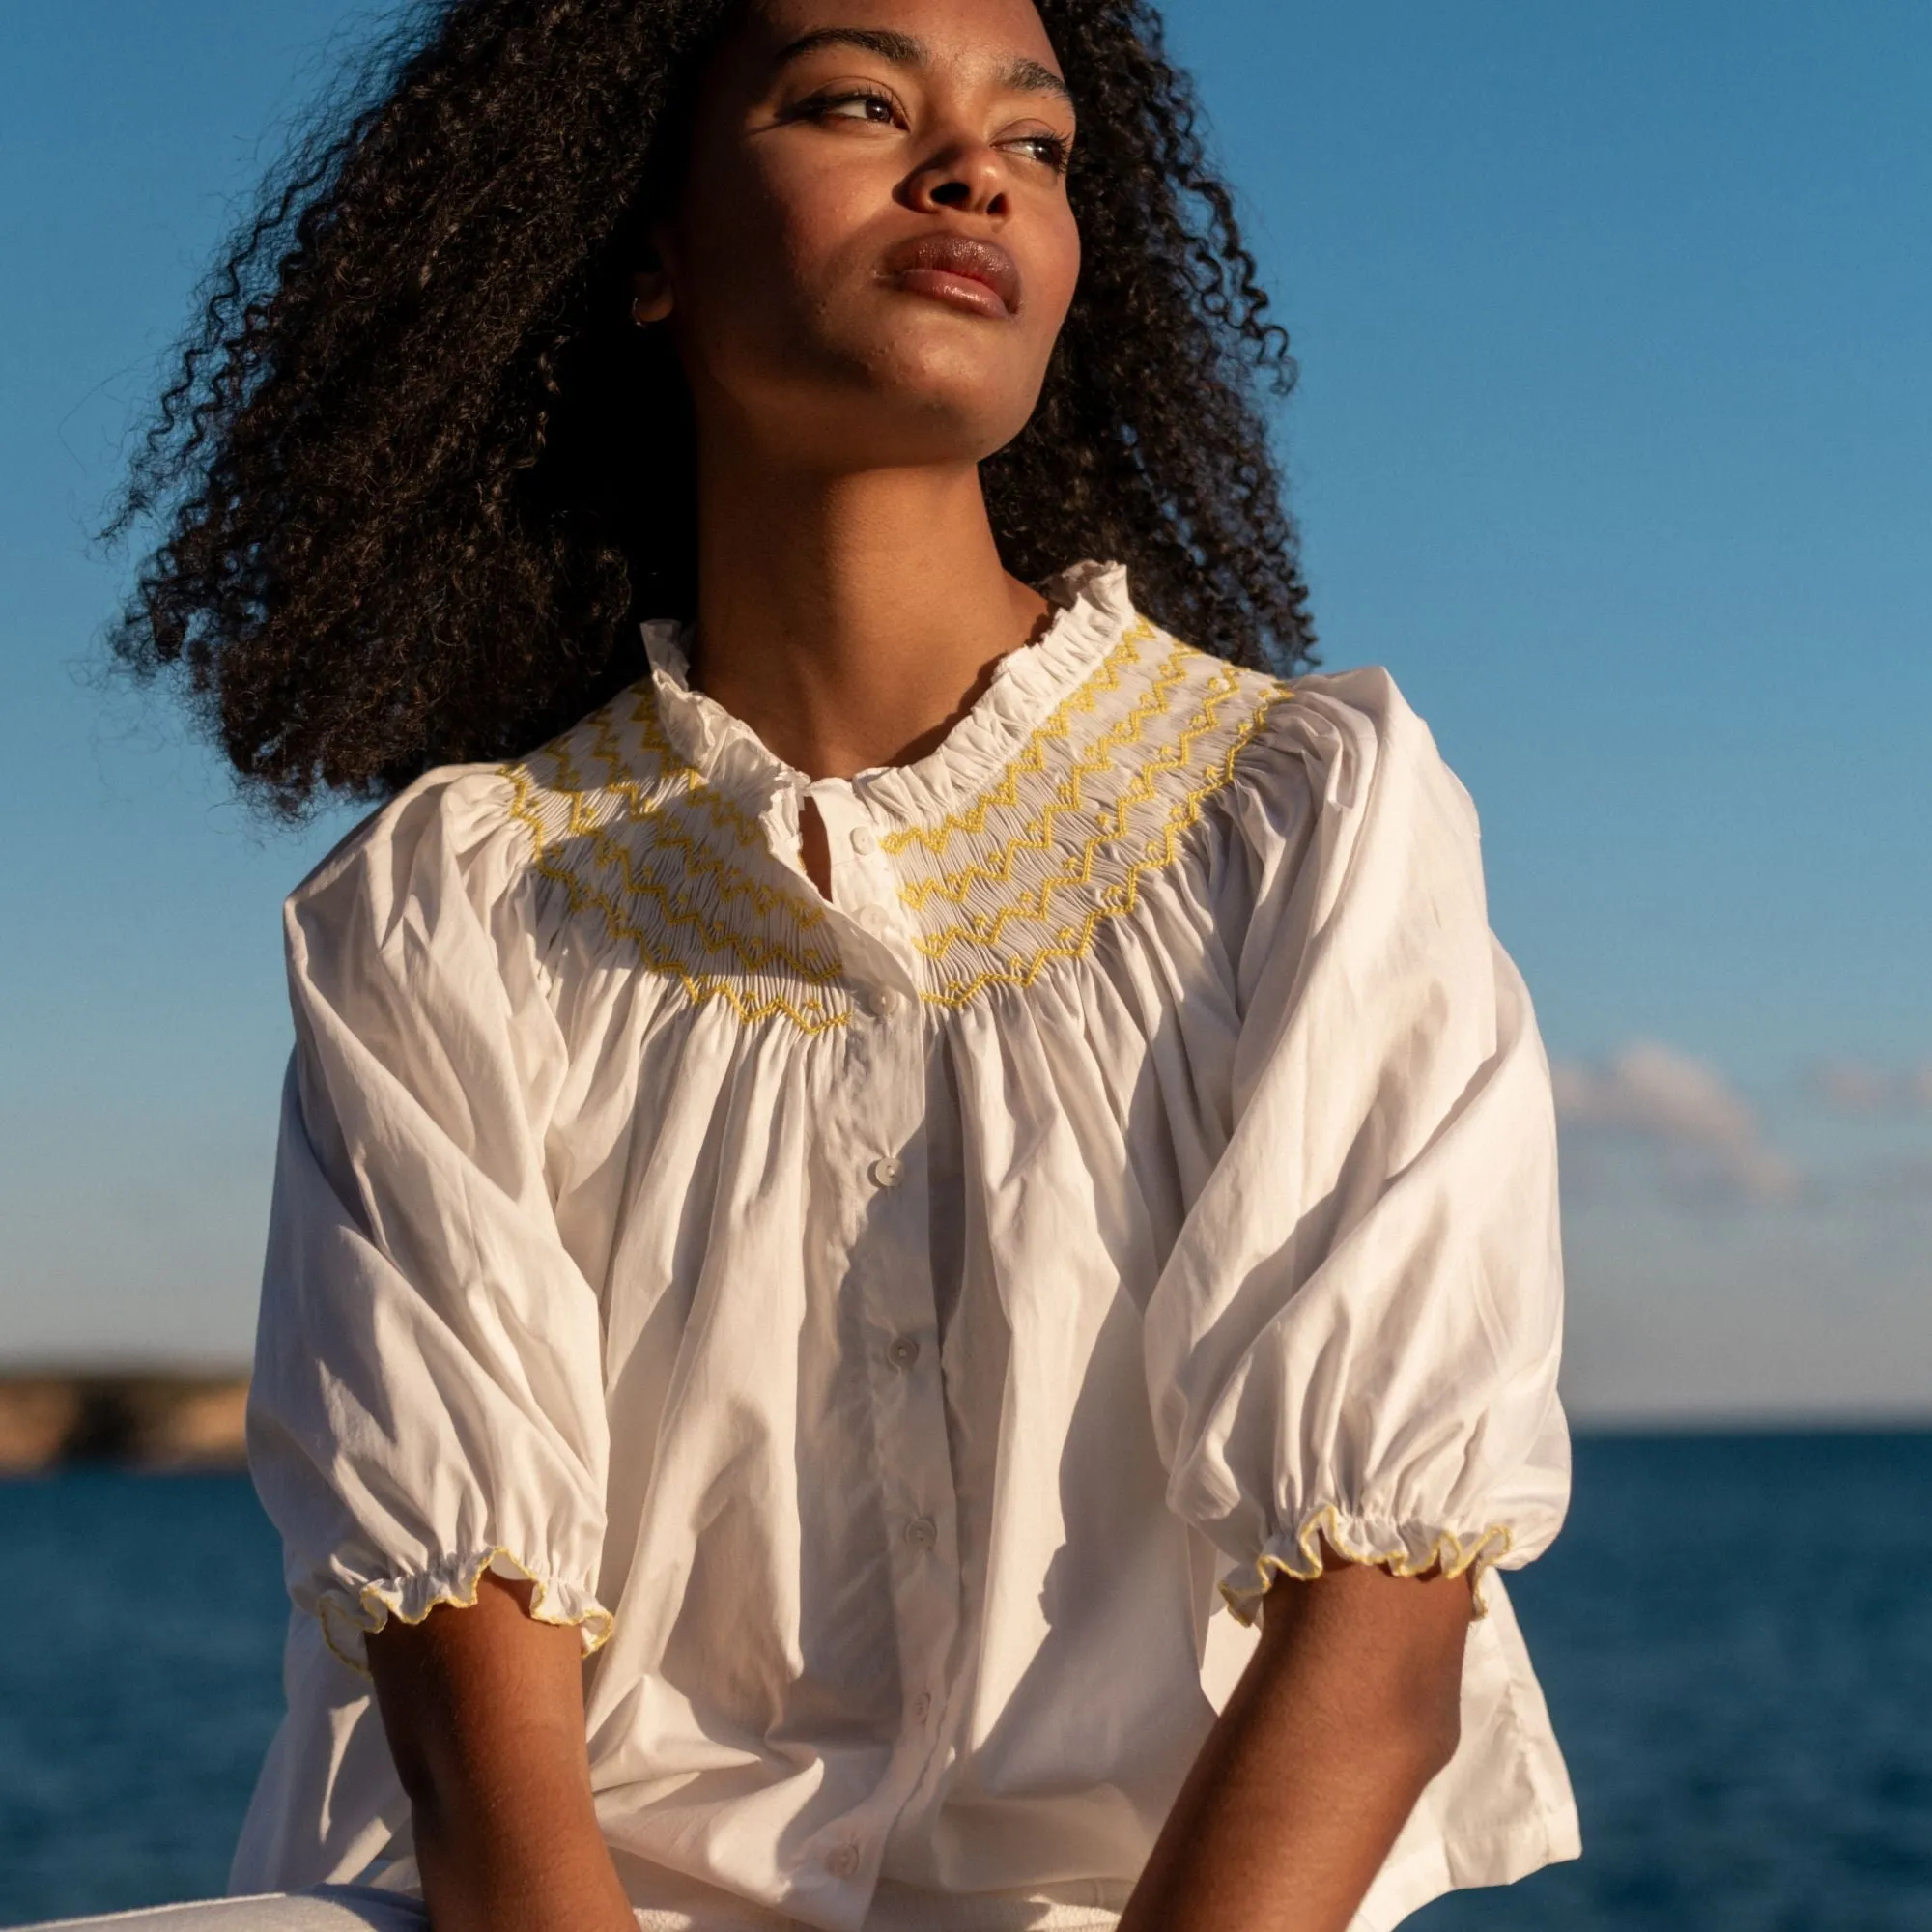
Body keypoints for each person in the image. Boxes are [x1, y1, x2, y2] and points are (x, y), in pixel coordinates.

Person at [85, 1, 1577, 1927]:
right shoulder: (451, 903)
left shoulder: (1301, 824)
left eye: (1033, 145)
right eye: (857, 102)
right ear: (644, 247)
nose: (969, 170)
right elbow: (468, 1685)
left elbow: (1381, 1618)